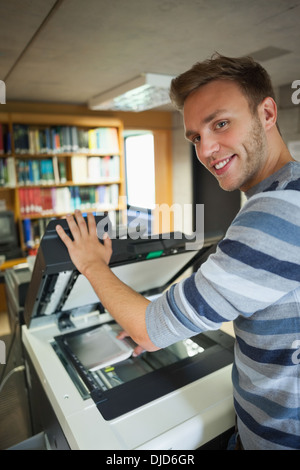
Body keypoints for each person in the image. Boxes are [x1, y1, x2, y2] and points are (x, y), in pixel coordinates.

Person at [56, 53, 300, 450]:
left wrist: (90, 261)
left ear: (268, 113)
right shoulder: (288, 192)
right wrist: (157, 324)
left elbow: (149, 328)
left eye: (220, 124)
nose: (207, 149)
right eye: (196, 137)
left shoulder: (274, 214)